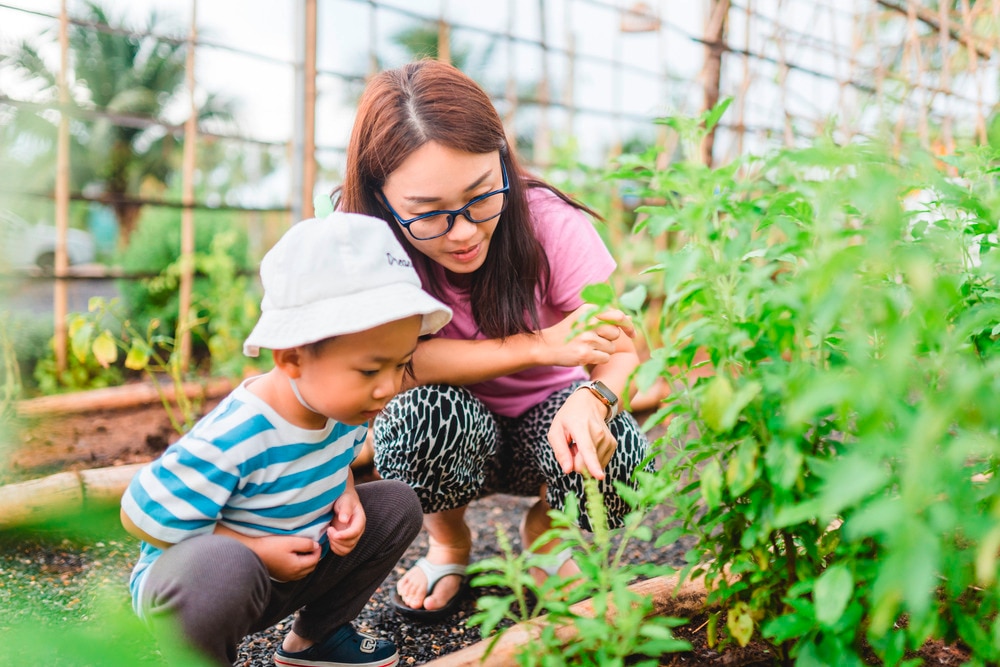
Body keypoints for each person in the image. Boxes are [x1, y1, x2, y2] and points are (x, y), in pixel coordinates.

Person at [335, 59, 654, 621]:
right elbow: (392, 365)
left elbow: (625, 346)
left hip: (548, 423)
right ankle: (450, 544)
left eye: (482, 195)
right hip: (456, 431)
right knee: (412, 422)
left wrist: (595, 398)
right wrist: (538, 345)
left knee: (620, 447)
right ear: (382, 199)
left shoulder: (547, 220)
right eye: (428, 213)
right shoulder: (366, 243)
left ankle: (546, 533)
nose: (463, 232)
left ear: (502, 160)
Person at [119, 212, 452, 666]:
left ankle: (315, 640)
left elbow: (338, 461)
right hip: (198, 589)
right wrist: (254, 551)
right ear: (293, 357)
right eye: (371, 369)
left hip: (291, 564)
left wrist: (347, 494)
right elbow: (139, 515)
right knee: (223, 566)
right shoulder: (239, 433)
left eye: (401, 365)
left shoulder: (343, 406)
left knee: (398, 504)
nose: (389, 387)